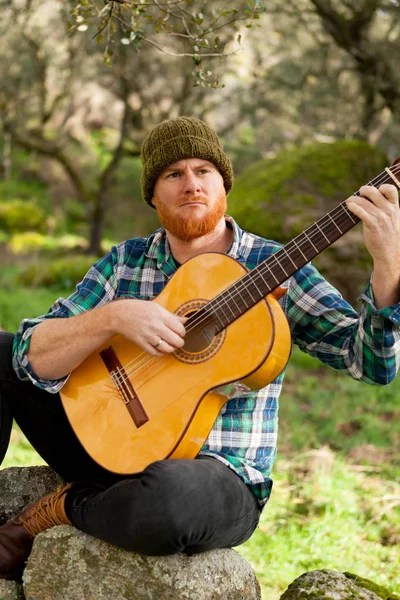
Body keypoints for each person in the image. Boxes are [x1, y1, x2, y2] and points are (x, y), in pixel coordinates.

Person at [0, 117, 399, 581]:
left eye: (203, 170)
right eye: (173, 174)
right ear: (152, 194)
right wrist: (115, 317)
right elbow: (30, 353)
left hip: (214, 476)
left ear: (224, 183)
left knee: (169, 499)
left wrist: (388, 269)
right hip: (102, 439)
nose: (191, 185)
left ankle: (64, 507)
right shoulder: (127, 261)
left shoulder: (275, 268)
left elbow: (371, 365)